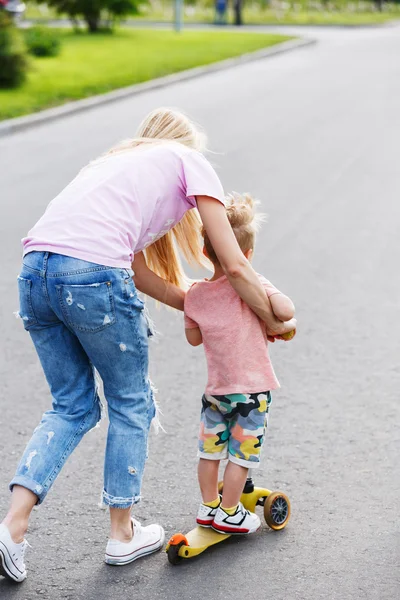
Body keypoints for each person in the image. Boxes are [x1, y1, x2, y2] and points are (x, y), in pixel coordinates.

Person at [0, 108, 295, 583]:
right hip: (91, 276)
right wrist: (269, 318)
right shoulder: (187, 160)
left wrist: (209, 310)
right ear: (185, 143)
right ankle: (122, 534)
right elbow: (237, 267)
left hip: (34, 272)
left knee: (70, 406)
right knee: (130, 401)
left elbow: (138, 273)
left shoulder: (112, 165)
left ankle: (11, 528)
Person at [184, 193, 296, 534]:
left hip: (216, 392)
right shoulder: (254, 284)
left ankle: (208, 507)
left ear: (205, 252)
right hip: (250, 393)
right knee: (241, 456)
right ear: (246, 256)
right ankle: (230, 512)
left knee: (210, 452)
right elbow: (286, 311)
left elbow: (193, 339)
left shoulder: (196, 294)